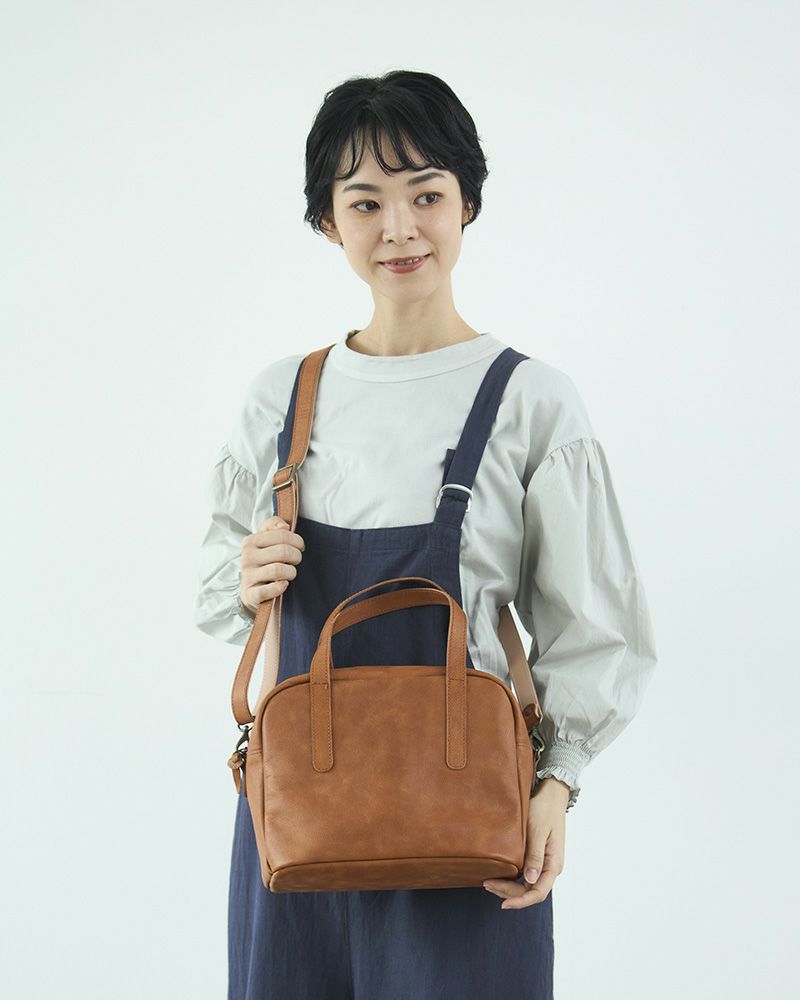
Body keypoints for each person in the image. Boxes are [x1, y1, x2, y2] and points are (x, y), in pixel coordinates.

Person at [195, 69, 657, 1000]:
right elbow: (217, 596)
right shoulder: (282, 398)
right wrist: (246, 580)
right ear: (328, 222)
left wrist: (557, 785)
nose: (400, 228)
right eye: (365, 202)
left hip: (472, 826)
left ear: (467, 202)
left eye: (427, 195)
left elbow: (595, 628)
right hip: (298, 827)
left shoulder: (531, 401)